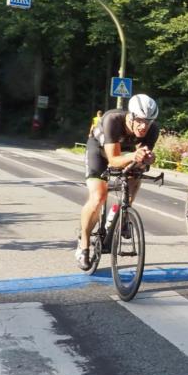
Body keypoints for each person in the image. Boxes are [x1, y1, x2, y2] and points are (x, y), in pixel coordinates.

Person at [77, 94, 159, 270]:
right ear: (130, 115)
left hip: (125, 151)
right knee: (99, 195)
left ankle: (122, 213)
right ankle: (83, 245)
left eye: (149, 121)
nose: (144, 126)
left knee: (136, 174)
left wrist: (147, 160)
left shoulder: (152, 130)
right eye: (140, 120)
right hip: (99, 151)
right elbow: (113, 159)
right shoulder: (113, 119)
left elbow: (141, 158)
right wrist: (132, 156)